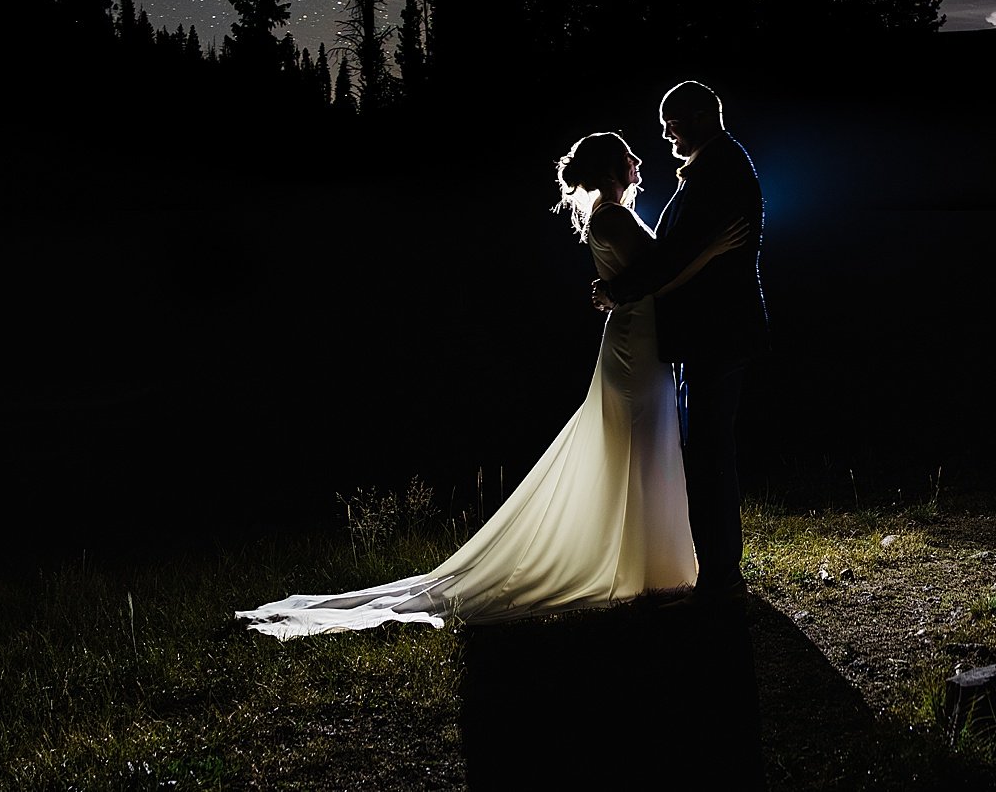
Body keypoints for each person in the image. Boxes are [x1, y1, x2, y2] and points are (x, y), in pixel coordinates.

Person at [238, 131, 743, 636]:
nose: (638, 159)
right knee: (641, 442)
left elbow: (646, 274)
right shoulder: (613, 217)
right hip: (636, 342)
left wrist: (624, 285)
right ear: (612, 169)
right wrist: (710, 251)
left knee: (645, 444)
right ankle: (648, 565)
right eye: (627, 155)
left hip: (639, 337)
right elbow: (658, 274)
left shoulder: (611, 216)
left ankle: (652, 562)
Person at [592, 80, 766, 596]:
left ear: (696, 117)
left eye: (671, 123)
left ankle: (720, 572)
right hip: (706, 333)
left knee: (710, 450)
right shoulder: (715, 167)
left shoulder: (721, 170)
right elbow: (679, 251)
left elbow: (678, 253)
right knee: (706, 449)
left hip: (719, 332)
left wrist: (617, 291)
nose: (665, 135)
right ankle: (715, 567)